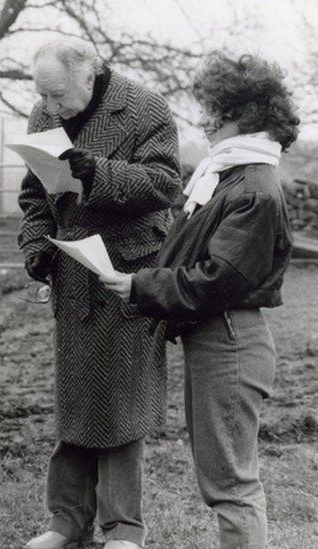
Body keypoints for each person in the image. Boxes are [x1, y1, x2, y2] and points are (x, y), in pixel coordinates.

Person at [100, 52, 297, 549]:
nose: (205, 121)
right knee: (224, 479)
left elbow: (219, 279)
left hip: (230, 342)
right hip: (218, 338)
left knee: (231, 484)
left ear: (246, 117)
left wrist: (144, 287)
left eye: (215, 110)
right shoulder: (228, 175)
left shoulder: (253, 187)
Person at [17, 37, 181, 549]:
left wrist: (100, 172)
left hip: (127, 272)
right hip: (73, 273)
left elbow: (164, 185)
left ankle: (123, 529)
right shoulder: (43, 116)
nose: (49, 107)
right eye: (42, 96)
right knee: (76, 399)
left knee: (120, 400)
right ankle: (65, 522)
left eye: (58, 96)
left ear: (90, 76)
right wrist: (35, 249)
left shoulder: (145, 107)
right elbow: (33, 195)